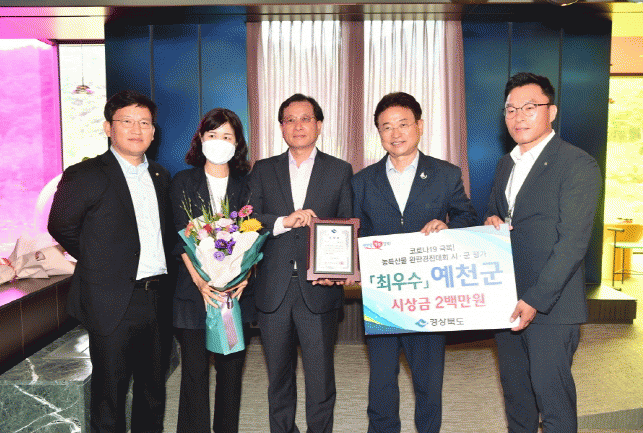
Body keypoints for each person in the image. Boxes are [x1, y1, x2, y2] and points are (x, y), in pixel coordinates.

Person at [352, 92, 479, 433]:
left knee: (428, 381)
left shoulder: (445, 174)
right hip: (382, 297)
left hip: (428, 296)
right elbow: (353, 232)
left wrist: (449, 228)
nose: (395, 133)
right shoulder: (361, 181)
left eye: (403, 124)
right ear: (379, 133)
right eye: (386, 127)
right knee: (381, 382)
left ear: (419, 126)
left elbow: (468, 218)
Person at [48, 90, 172, 433]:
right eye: (127, 121)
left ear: (153, 131)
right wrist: (102, 262)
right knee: (110, 395)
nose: (136, 129)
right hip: (111, 299)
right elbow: (61, 226)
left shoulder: (161, 176)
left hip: (157, 298)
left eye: (144, 122)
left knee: (153, 391)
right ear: (108, 127)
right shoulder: (86, 174)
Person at [484, 72, 601, 432]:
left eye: (529, 107)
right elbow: (496, 213)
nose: (518, 117)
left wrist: (535, 299)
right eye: (511, 109)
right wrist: (490, 221)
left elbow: (573, 243)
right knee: (517, 400)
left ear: (551, 111)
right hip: (506, 301)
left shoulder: (577, 163)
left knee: (554, 405)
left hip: (551, 306)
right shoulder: (506, 163)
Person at [247, 94, 353, 433]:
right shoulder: (263, 169)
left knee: (320, 377)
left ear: (318, 125)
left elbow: (348, 223)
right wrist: (284, 221)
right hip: (273, 289)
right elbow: (248, 220)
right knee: (278, 377)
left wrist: (340, 270)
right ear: (281, 127)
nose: (298, 126)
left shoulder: (339, 170)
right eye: (290, 120)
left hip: (319, 288)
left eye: (305, 119)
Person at [169, 108, 252, 433]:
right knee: (194, 372)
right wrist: (201, 282)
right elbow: (179, 236)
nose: (219, 141)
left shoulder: (247, 186)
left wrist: (244, 275)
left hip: (233, 295)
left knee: (231, 371)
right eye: (213, 134)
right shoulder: (183, 182)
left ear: (237, 143)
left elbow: (253, 235)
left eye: (227, 136)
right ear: (201, 139)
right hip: (193, 295)